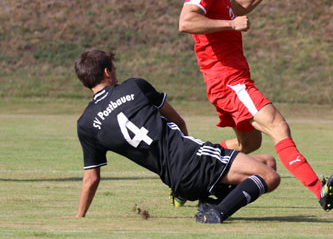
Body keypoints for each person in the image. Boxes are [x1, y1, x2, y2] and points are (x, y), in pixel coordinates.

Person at [178, 0, 333, 211]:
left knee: (248, 144)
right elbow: (186, 21)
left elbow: (237, 7)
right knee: (278, 126)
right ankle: (320, 189)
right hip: (229, 81)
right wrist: (230, 25)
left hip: (226, 81)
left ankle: (188, 172)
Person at [74, 49, 281, 224]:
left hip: (175, 181)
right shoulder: (134, 86)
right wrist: (190, 153)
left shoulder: (85, 124)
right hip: (194, 159)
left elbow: (91, 178)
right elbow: (179, 122)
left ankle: (212, 203)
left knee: (268, 162)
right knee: (270, 177)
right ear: (107, 72)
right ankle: (218, 212)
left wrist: (79, 216)